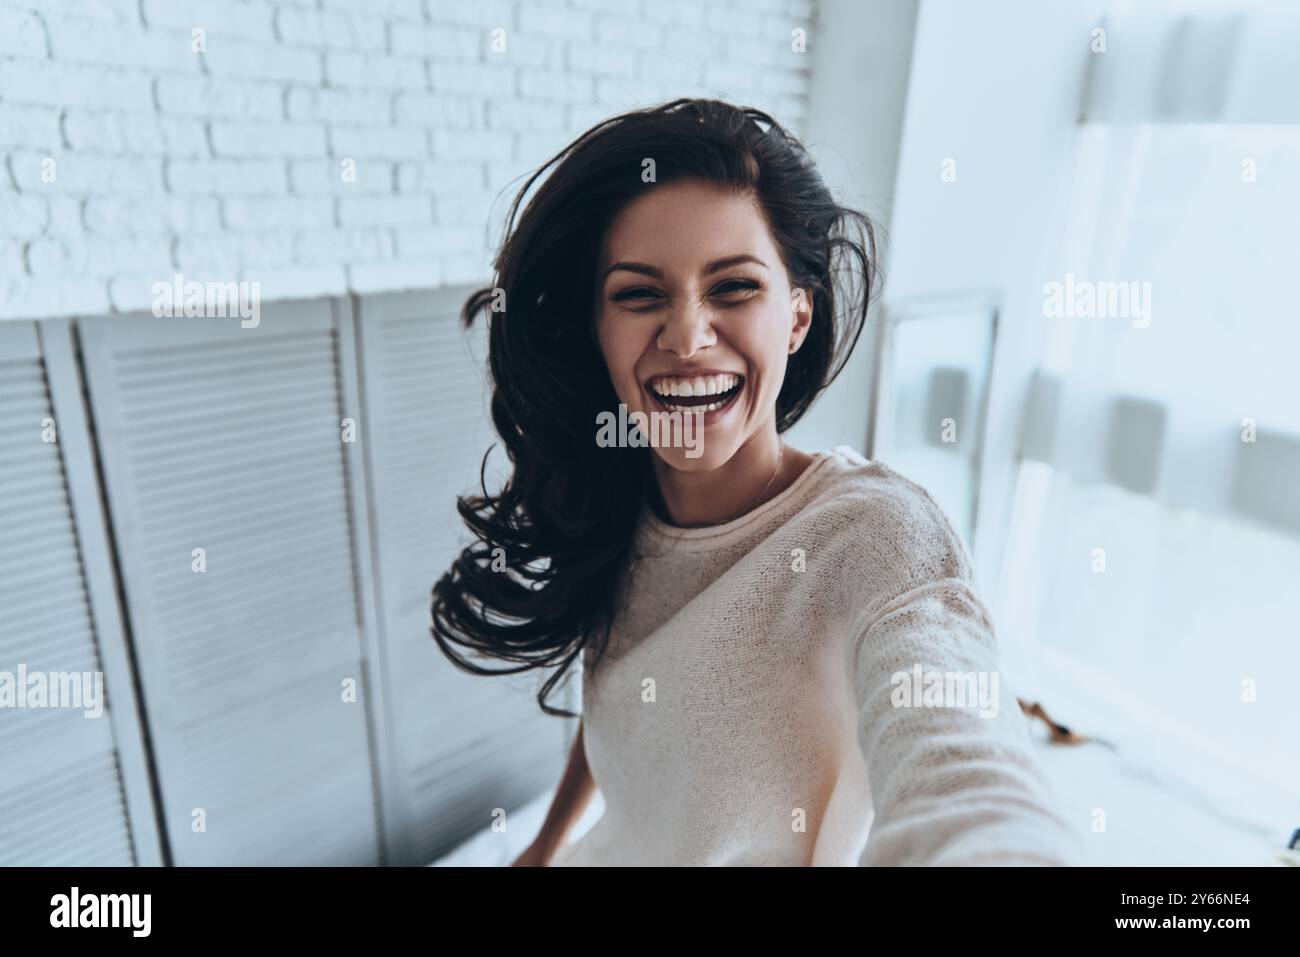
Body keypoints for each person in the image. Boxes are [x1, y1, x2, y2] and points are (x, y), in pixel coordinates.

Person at [432, 98, 1079, 866]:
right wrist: (547, 840)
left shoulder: (875, 537)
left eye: (734, 287)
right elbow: (625, 690)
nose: (687, 336)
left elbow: (965, 771)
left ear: (798, 317)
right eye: (639, 295)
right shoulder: (616, 505)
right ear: (597, 332)